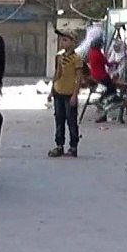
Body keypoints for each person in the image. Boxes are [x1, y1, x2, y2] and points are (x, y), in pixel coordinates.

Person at [48, 29, 83, 158]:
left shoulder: (77, 59)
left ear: (73, 42)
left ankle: (73, 147)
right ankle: (59, 146)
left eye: (65, 40)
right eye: (61, 40)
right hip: (58, 91)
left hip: (69, 94)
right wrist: (52, 90)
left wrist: (75, 94)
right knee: (59, 119)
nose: (62, 43)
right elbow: (57, 74)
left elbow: (78, 78)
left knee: (71, 120)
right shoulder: (59, 57)